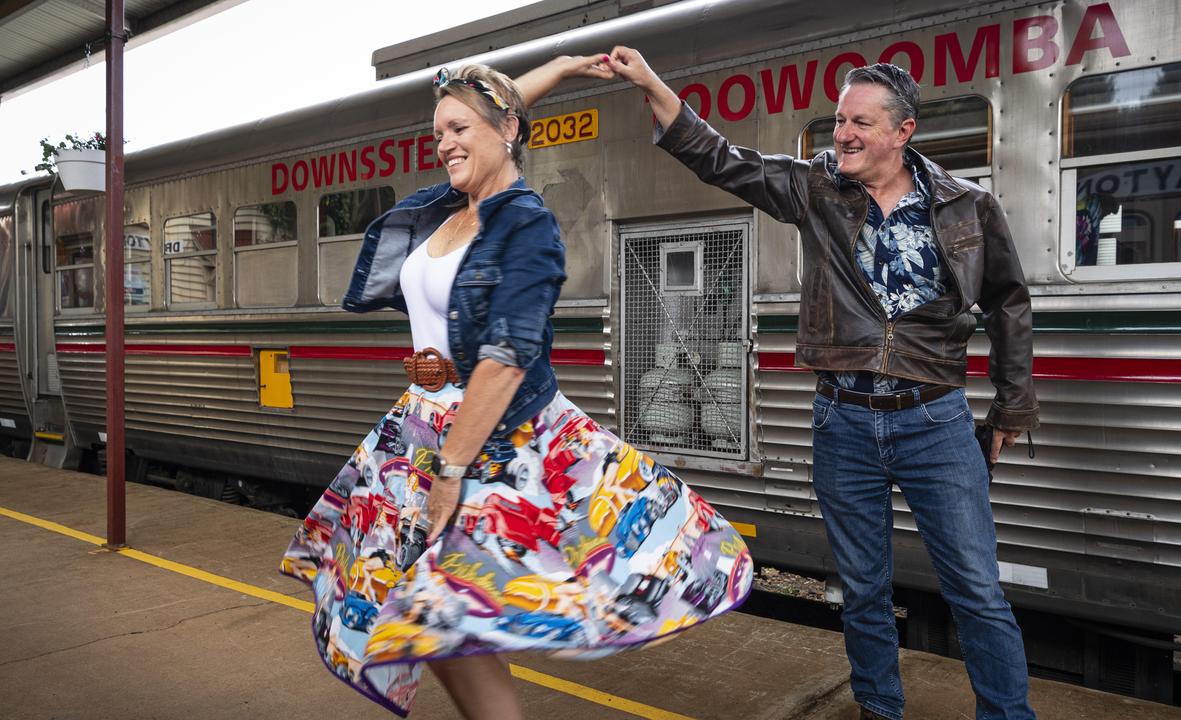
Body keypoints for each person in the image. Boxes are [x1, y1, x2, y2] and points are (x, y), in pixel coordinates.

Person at [280, 57, 752, 720]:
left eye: (457, 129)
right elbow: (488, 110)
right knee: (440, 622)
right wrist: (556, 69)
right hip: (420, 428)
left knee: (440, 614)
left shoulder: (523, 223)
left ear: (507, 130)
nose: (443, 142)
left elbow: (504, 359)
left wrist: (451, 470)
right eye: (438, 130)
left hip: (485, 441)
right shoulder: (449, 205)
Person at [607, 47, 1039, 720]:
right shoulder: (817, 188)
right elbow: (721, 158)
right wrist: (652, 83)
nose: (841, 134)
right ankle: (879, 710)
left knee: (976, 590)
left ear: (903, 132)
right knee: (864, 589)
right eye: (839, 120)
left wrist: (1013, 404)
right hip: (844, 419)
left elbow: (1009, 300)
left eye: (860, 123)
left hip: (936, 421)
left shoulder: (967, 207)